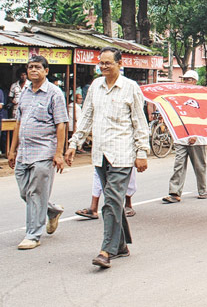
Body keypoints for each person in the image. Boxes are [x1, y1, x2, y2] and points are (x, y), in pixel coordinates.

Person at [65, 47, 150, 268]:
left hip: (122, 154)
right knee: (115, 202)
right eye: (101, 63)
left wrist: (142, 152)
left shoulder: (131, 88)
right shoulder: (95, 86)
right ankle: (121, 246)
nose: (103, 67)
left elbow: (140, 123)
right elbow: (86, 117)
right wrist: (74, 143)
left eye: (108, 63)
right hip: (100, 154)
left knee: (111, 200)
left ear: (119, 64)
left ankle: (106, 250)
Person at [7, 56, 68, 250]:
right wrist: (11, 150)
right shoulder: (24, 91)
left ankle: (33, 235)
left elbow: (61, 125)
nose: (34, 70)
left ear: (46, 71)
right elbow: (18, 122)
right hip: (24, 151)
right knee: (26, 191)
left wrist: (59, 153)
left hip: (44, 151)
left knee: (35, 192)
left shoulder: (54, 93)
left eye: (38, 67)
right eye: (31, 67)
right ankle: (51, 210)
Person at [163, 70, 207, 203]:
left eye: (188, 79)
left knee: (199, 166)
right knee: (178, 165)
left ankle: (202, 190)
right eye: (184, 79)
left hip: (197, 138)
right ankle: (174, 192)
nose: (185, 82)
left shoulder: (199, 97)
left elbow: (201, 118)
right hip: (181, 137)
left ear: (194, 81)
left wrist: (194, 133)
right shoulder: (179, 96)